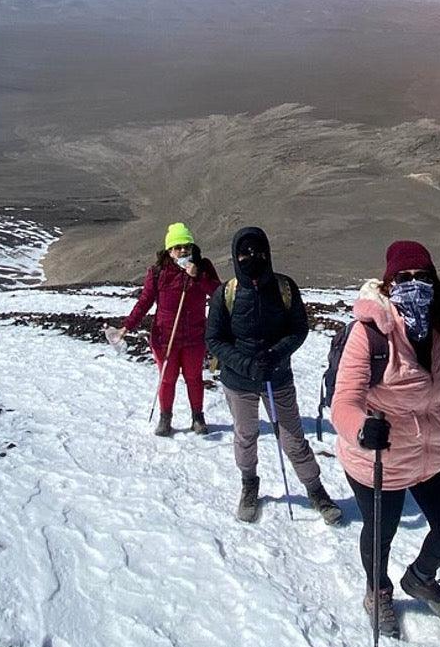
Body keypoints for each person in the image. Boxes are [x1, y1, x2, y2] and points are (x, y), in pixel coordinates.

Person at [331, 240, 440, 639]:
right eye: (405, 278)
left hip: (435, 451)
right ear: (389, 284)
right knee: (380, 536)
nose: (415, 285)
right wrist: (361, 429)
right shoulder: (371, 334)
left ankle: (420, 578)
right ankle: (377, 592)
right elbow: (344, 400)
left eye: (423, 278)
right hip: (380, 455)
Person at [204, 225, 343, 526]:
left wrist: (275, 355)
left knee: (293, 439)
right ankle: (249, 484)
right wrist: (246, 364)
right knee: (245, 435)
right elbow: (214, 339)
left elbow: (298, 329)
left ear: (268, 253)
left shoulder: (285, 288)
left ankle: (316, 490)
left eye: (258, 252)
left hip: (277, 378)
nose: (252, 257)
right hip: (238, 381)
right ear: (235, 256)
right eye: (245, 253)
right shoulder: (225, 294)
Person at [117, 223, 221, 437]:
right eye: (177, 247)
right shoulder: (158, 272)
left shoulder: (203, 267)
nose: (183, 251)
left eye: (187, 246)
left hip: (194, 336)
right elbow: (145, 302)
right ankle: (165, 418)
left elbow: (218, 294)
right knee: (167, 378)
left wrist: (198, 277)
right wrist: (127, 326)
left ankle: (197, 417)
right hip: (165, 338)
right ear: (169, 251)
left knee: (194, 378)